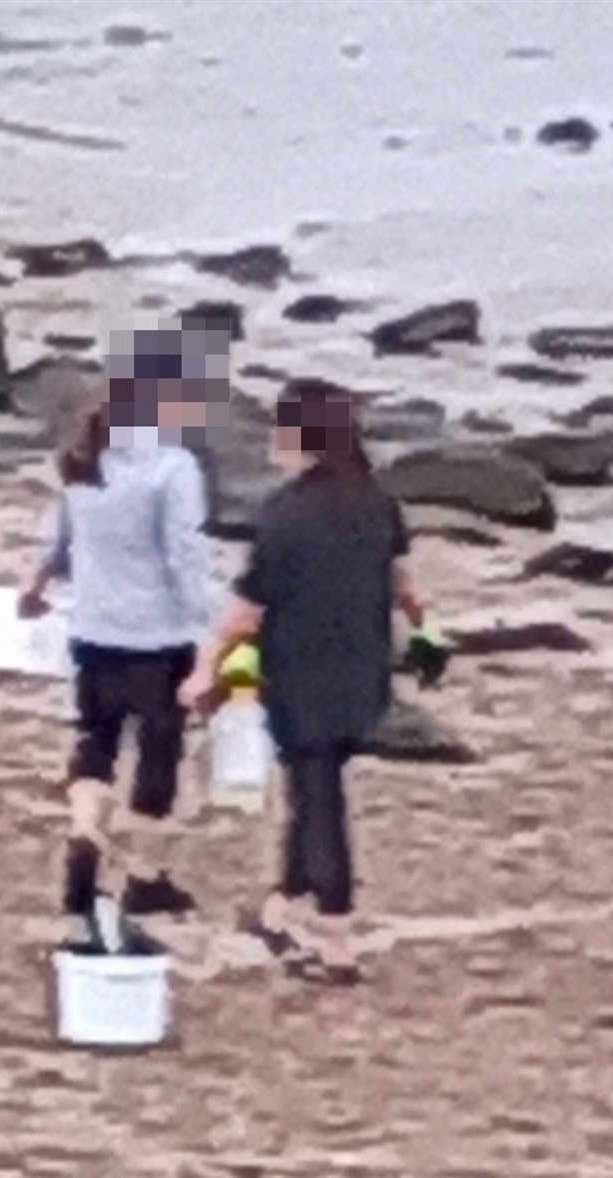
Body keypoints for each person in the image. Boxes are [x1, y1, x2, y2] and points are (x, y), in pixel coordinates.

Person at [179, 378, 425, 976]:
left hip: (300, 677)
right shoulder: (377, 501)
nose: (274, 437)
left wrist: (203, 672)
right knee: (314, 786)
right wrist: (426, 634)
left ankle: (336, 940)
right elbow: (404, 588)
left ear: (302, 436)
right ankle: (280, 910)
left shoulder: (286, 513)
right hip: (362, 675)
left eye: (281, 426)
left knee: (320, 802)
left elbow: (246, 611)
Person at [20, 330, 213, 940]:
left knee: (95, 746)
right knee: (157, 760)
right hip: (158, 637)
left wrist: (37, 585)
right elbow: (183, 555)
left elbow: (63, 539)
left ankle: (82, 855)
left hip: (93, 630)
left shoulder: (85, 456)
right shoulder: (172, 467)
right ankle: (143, 876)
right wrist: (207, 627)